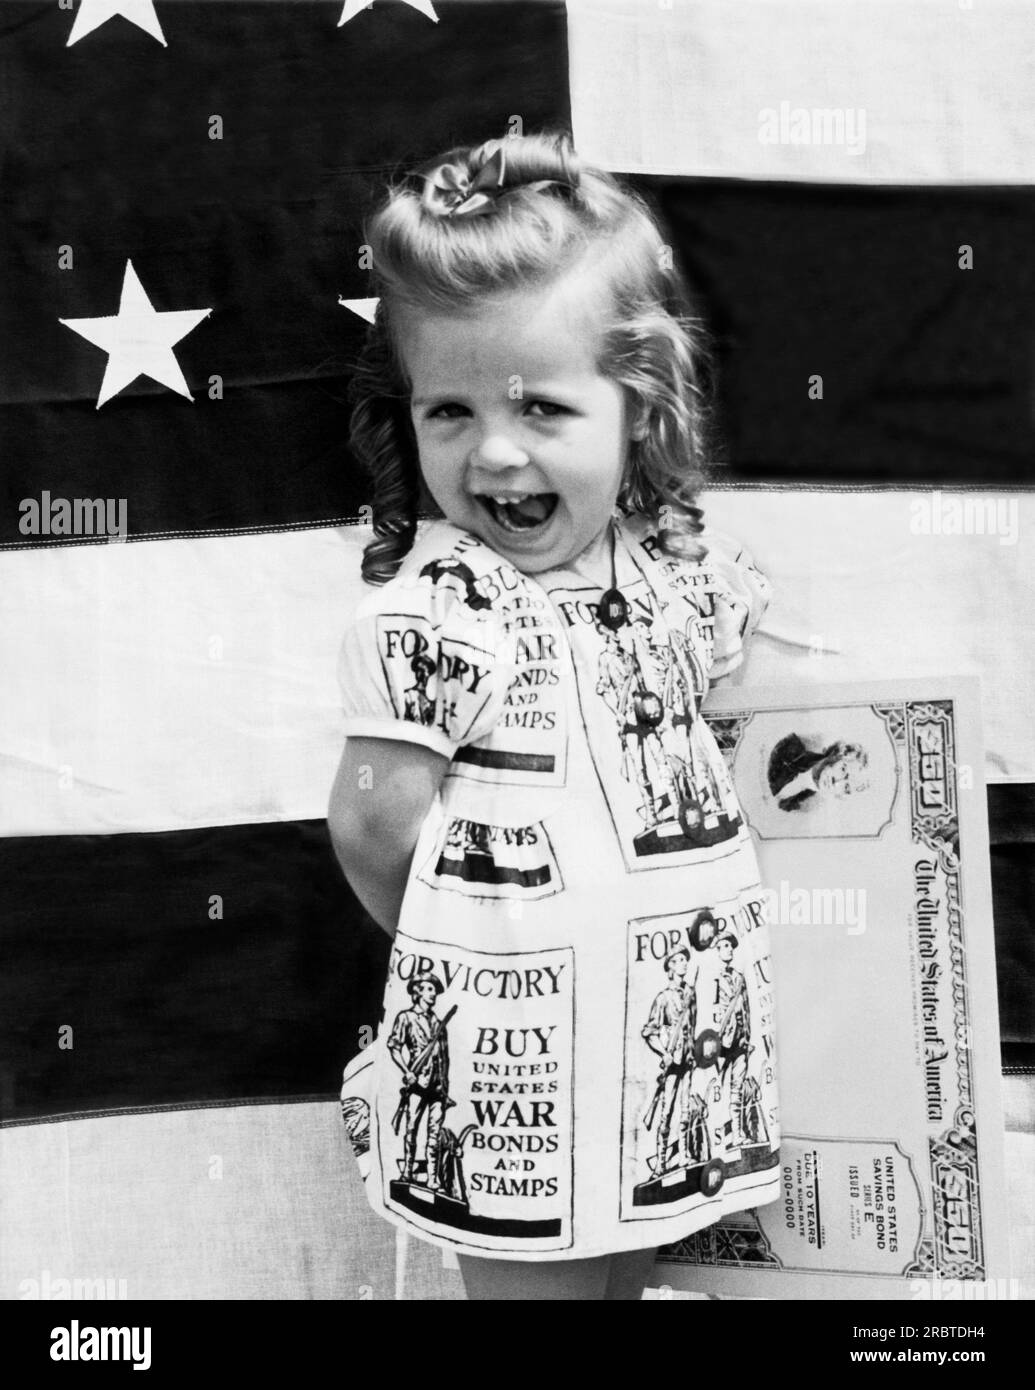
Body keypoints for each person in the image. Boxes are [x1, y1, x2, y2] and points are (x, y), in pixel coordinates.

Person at [329, 131, 780, 1300]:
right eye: (449, 411)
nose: (495, 449)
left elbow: (733, 716)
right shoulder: (446, 607)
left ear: (640, 404)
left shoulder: (674, 570)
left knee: (636, 1279)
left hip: (668, 1036)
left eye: (541, 405)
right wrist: (461, 955)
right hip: (517, 1056)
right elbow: (376, 828)